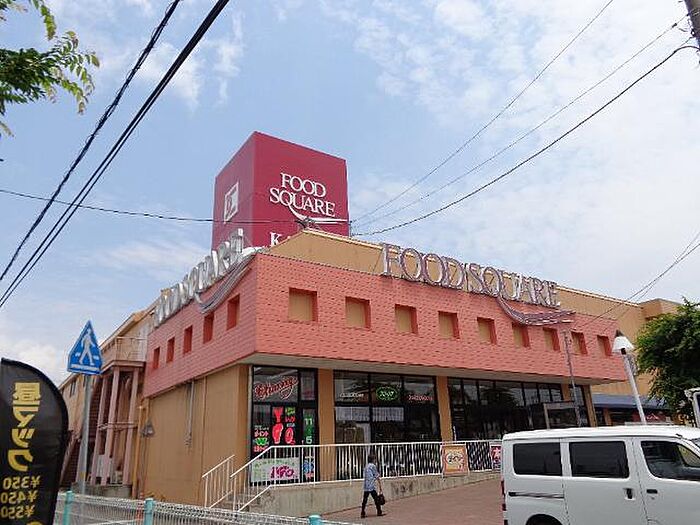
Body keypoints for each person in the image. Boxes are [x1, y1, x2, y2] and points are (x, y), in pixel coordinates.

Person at [361, 453, 384, 518]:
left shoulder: (366, 466)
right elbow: (376, 475)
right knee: (376, 499)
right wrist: (379, 484)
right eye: (374, 459)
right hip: (371, 485)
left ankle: (362, 512)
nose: (375, 461)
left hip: (366, 485)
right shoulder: (373, 466)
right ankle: (379, 512)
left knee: (365, 499)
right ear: (373, 460)